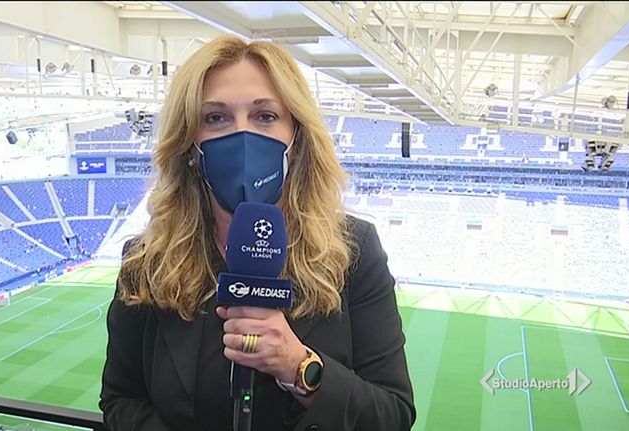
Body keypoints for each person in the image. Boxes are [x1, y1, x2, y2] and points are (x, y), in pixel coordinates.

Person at [100, 35, 415, 431]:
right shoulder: (146, 261)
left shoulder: (354, 250)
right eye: (215, 118)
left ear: (296, 138)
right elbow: (121, 400)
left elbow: (393, 414)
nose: (243, 136)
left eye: (265, 116)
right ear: (190, 144)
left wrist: (299, 366)